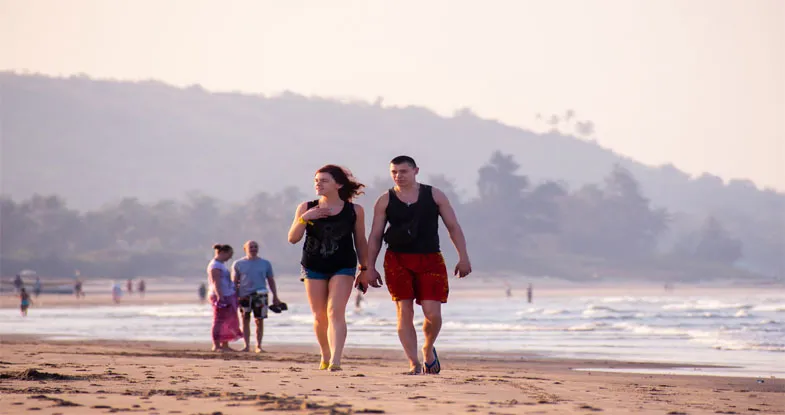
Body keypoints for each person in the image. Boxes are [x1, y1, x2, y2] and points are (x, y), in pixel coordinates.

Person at [359, 155, 472, 375]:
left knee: (433, 314)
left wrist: (463, 257)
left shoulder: (434, 195)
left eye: (403, 171)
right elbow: (375, 235)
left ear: (415, 171)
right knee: (404, 311)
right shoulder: (385, 199)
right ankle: (413, 363)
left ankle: (428, 349)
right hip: (396, 259)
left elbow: (453, 227)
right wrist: (368, 267)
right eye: (394, 172)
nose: (398, 176)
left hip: (430, 258)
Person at [288, 165, 368, 371]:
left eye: (323, 180)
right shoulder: (306, 207)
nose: (318, 184)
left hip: (343, 265)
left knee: (335, 311)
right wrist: (305, 219)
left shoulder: (354, 211)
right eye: (316, 180)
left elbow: (360, 241)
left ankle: (336, 360)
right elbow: (293, 238)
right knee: (319, 315)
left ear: (338, 184)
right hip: (313, 265)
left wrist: (365, 268)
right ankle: (325, 354)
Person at [231, 240, 282, 353]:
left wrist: (275, 296)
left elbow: (271, 280)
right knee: (245, 320)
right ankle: (246, 345)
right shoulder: (238, 264)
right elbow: (234, 281)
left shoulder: (265, 263)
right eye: (251, 247)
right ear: (245, 249)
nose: (253, 249)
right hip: (244, 296)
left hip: (261, 294)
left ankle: (258, 346)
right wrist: (235, 296)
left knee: (259, 320)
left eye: (255, 247)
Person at [207, 244, 243, 352]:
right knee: (219, 320)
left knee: (228, 321)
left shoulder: (220, 265)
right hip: (221, 295)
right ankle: (216, 345)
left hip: (228, 294)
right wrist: (220, 296)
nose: (230, 258)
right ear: (223, 252)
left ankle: (225, 344)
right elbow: (216, 283)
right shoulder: (215, 266)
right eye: (229, 254)